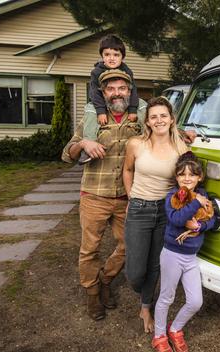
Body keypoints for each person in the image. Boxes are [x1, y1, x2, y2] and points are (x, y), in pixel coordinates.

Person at [61, 69, 141, 321]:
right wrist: (84, 144)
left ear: (129, 91)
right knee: (89, 249)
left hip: (126, 198)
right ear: (103, 93)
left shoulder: (139, 121)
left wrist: (185, 135)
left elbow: (164, 133)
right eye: (111, 88)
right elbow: (66, 154)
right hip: (94, 196)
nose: (117, 93)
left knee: (130, 246)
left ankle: (105, 279)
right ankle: (93, 293)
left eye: (121, 88)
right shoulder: (92, 120)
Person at [122, 97, 189, 333]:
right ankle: (142, 292)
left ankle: (145, 307)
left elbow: (187, 179)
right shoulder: (136, 144)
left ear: (171, 119)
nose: (159, 120)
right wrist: (131, 197)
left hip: (165, 211)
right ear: (148, 122)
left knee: (155, 265)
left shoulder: (182, 148)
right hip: (139, 209)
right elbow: (128, 170)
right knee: (135, 273)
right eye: (154, 117)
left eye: (163, 115)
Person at [151, 152, 216, 352]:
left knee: (196, 301)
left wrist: (201, 226)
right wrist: (196, 202)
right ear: (176, 178)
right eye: (182, 175)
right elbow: (176, 218)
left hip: (191, 257)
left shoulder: (204, 194)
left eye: (191, 174)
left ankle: (175, 328)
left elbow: (213, 221)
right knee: (167, 297)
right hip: (172, 254)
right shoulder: (173, 196)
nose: (187, 178)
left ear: (200, 177)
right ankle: (159, 336)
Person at [79, 34, 140, 164]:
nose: (111, 58)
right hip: (100, 102)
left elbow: (133, 90)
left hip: (123, 102)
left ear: (122, 57)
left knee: (143, 106)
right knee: (90, 111)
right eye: (107, 55)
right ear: (102, 56)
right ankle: (88, 147)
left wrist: (133, 109)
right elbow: (94, 93)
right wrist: (100, 111)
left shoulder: (127, 71)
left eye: (116, 55)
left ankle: (150, 146)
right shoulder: (96, 72)